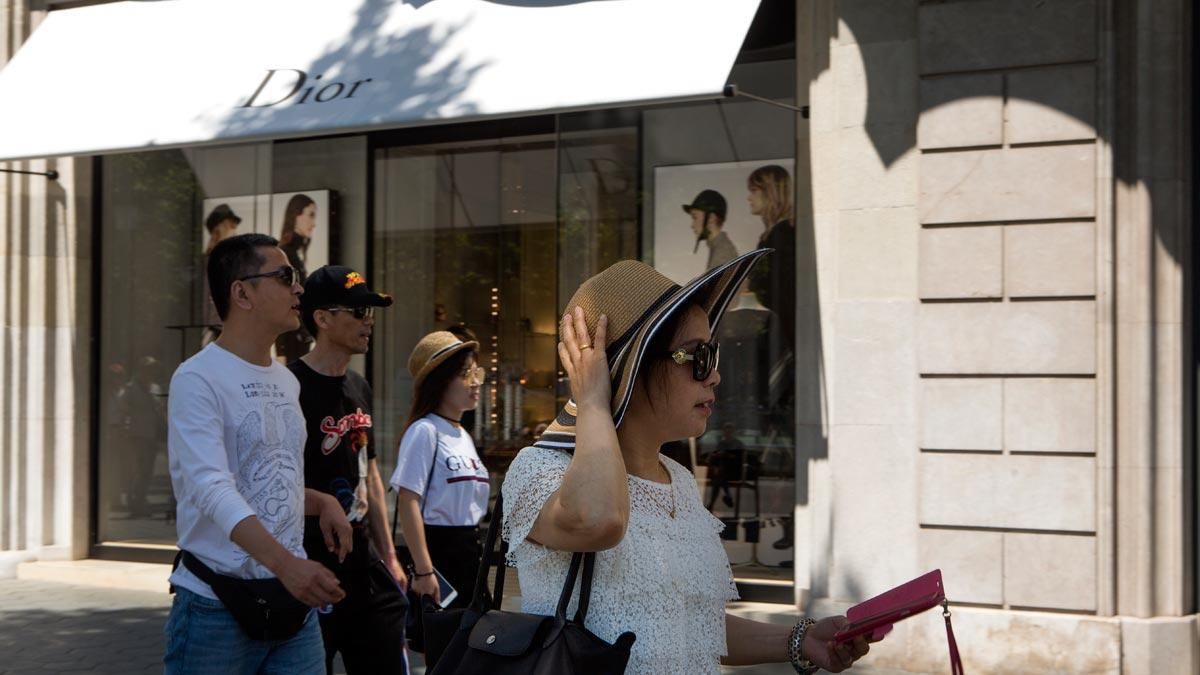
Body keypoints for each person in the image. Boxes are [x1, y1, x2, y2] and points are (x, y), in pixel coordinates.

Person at [500, 251, 874, 674]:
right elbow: (599, 521)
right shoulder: (538, 471)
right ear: (630, 368)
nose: (714, 375)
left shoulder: (676, 479)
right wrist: (592, 398)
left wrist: (801, 639)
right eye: (697, 357)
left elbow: (690, 625)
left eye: (713, 356)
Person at [165, 233, 352, 675]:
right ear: (242, 292)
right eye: (285, 276)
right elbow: (211, 488)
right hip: (217, 606)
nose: (298, 288)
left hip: (292, 605)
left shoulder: (287, 380)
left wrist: (320, 501)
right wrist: (289, 565)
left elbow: (265, 477)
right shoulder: (197, 379)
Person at [289, 265, 410, 675]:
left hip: (363, 559)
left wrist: (390, 556)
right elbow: (267, 483)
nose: (369, 321)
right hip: (309, 559)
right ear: (322, 319)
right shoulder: (288, 388)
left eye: (370, 311)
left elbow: (369, 472)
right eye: (358, 311)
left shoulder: (359, 387)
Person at [389, 331, 489, 608]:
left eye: (476, 372)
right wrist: (423, 570)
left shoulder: (463, 435)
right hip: (439, 555)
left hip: (471, 555)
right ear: (440, 382)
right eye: (465, 374)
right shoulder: (425, 430)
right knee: (444, 644)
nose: (475, 382)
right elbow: (408, 501)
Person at [276, 194, 318, 362]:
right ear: (296, 214)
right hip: (292, 342)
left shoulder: (293, 254)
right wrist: (281, 352)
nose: (314, 224)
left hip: (299, 341)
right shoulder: (286, 254)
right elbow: (281, 302)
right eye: (311, 215)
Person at [200, 204, 242, 346]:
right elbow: (206, 296)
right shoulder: (210, 261)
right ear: (221, 228)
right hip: (214, 328)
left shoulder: (229, 260)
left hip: (226, 326)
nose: (235, 232)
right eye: (232, 226)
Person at [683, 189, 739, 271]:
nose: (692, 225)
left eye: (695, 217)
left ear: (711, 218)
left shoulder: (722, 253)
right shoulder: (719, 247)